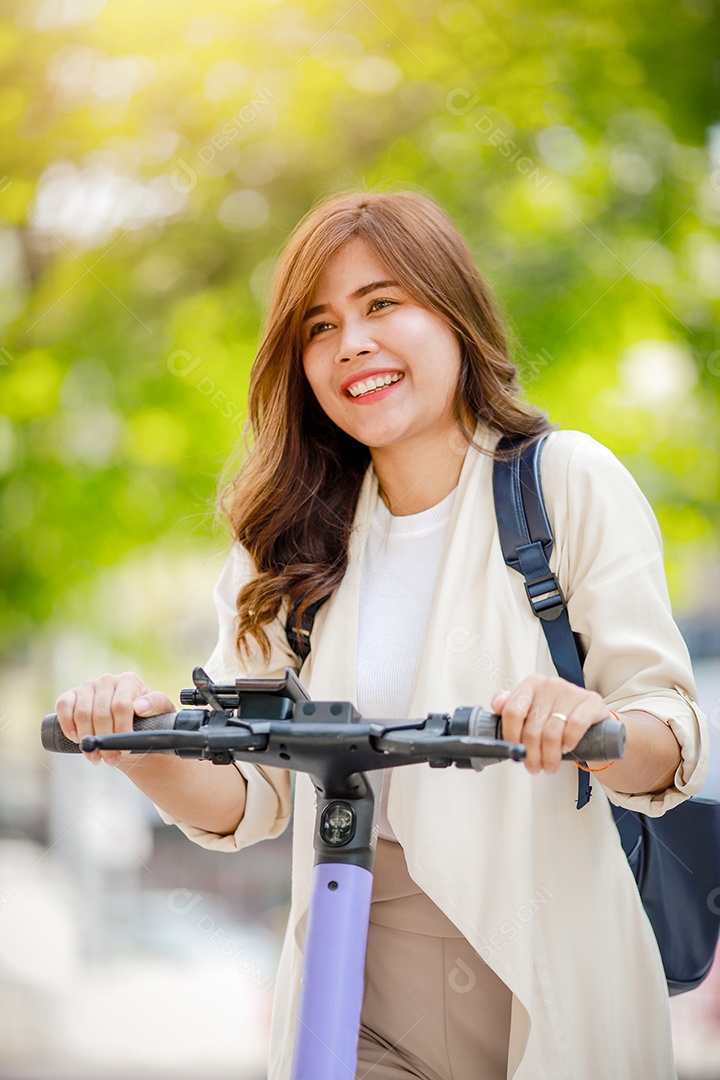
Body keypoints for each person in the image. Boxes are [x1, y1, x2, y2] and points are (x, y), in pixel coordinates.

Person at [56, 189, 709, 1080]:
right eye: (320, 326)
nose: (351, 344)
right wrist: (138, 744)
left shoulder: (564, 483)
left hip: (547, 967)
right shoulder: (285, 542)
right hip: (356, 967)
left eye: (382, 304)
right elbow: (246, 795)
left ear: (454, 312)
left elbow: (668, 738)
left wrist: (591, 726)